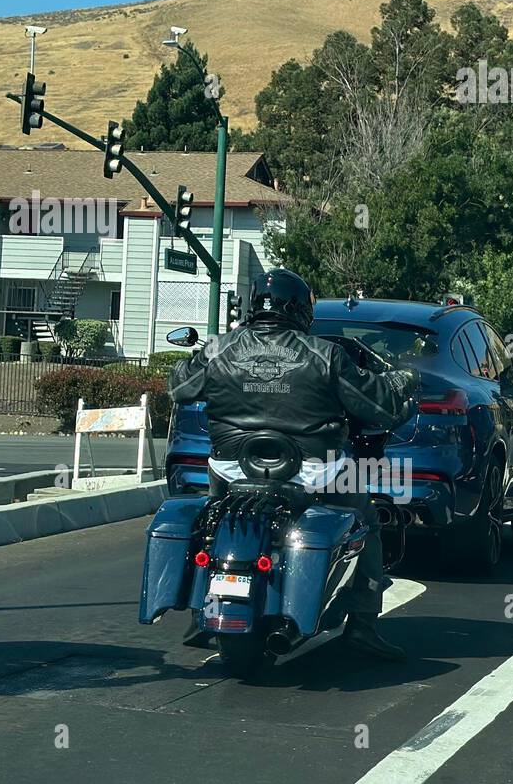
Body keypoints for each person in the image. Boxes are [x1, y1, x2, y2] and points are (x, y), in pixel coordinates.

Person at [168, 267, 419, 661]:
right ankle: (364, 626)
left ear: (252, 306)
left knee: (213, 520)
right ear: (301, 309)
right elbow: (378, 407)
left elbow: (179, 388)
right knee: (366, 520)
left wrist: (198, 357)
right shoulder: (326, 355)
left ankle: (201, 607)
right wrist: (403, 383)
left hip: (233, 468)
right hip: (313, 472)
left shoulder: (219, 349)